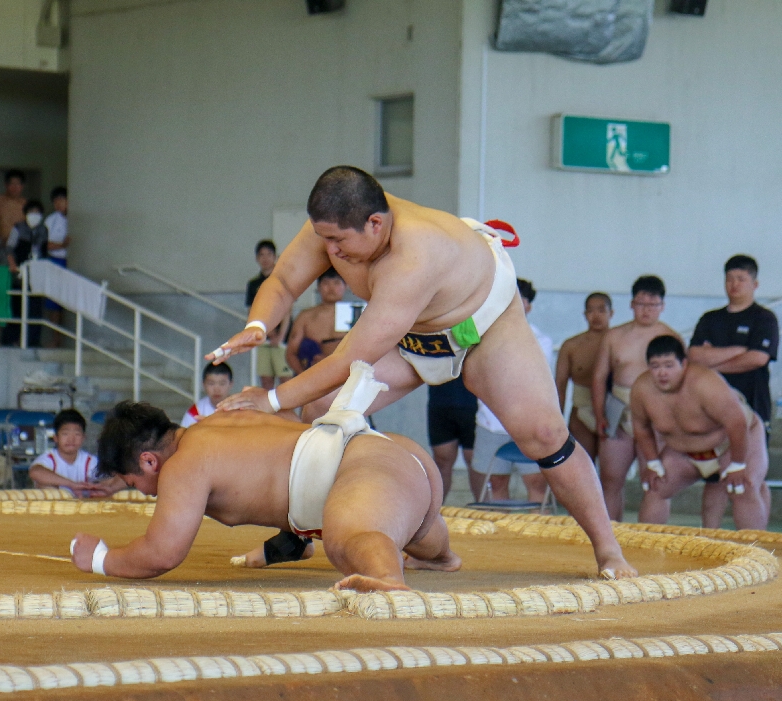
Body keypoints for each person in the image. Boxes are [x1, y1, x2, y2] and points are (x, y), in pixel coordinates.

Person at [211, 166, 634, 579]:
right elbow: (283, 280)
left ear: (375, 223)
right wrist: (257, 326)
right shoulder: (334, 226)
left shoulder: (415, 255)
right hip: (410, 337)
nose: (331, 252)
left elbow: (346, 361)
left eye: (338, 241)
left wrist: (270, 399)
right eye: (325, 240)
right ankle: (296, 535)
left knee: (544, 435)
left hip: (482, 328)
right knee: (322, 409)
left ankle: (607, 549)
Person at [70, 363, 459, 592]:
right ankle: (440, 555)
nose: (146, 494)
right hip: (397, 461)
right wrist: (290, 542)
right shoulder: (229, 415)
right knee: (413, 529)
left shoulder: (184, 464)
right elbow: (291, 461)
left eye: (135, 483)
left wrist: (103, 559)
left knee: (348, 540)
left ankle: (389, 581)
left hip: (365, 470)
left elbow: (162, 552)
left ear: (150, 461)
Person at [630, 336, 769, 530]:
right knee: (655, 487)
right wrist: (653, 463)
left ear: (684, 363)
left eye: (669, 365)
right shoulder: (641, 389)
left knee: (742, 488)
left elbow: (737, 424)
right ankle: (644, 550)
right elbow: (642, 428)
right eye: (655, 366)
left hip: (731, 443)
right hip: (683, 451)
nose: (662, 373)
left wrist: (738, 465)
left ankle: (758, 554)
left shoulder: (706, 383)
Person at [592, 276, 680, 521]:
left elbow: (680, 383)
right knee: (610, 478)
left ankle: (651, 542)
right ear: (632, 304)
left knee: (655, 480)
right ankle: (610, 538)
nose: (646, 310)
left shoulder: (671, 340)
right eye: (641, 304)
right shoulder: (614, 336)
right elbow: (599, 377)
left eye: (653, 305)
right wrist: (599, 414)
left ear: (662, 306)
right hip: (618, 410)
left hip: (656, 414)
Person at [471, 279, 551, 503]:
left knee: (536, 483)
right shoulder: (481, 334)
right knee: (495, 484)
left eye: (518, 300)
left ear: (528, 306)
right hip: (490, 422)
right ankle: (500, 535)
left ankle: (537, 533)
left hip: (529, 423)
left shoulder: (541, 341)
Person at [688, 255, 779, 429]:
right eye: (729, 279)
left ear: (755, 284)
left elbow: (757, 358)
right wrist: (739, 350)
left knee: (750, 454)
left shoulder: (764, 319)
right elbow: (694, 355)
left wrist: (713, 365)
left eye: (741, 279)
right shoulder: (710, 318)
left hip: (752, 402)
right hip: (709, 404)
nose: (734, 284)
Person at [555, 293, 614, 460]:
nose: (596, 316)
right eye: (591, 311)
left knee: (612, 471)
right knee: (582, 464)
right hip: (581, 410)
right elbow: (560, 386)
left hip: (614, 410)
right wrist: (557, 423)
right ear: (585, 314)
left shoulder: (622, 342)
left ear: (612, 313)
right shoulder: (571, 346)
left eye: (602, 310)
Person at [29, 409, 127, 497]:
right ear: (56, 438)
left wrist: (108, 488)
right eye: (65, 434)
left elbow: (123, 476)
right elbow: (35, 472)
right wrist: (72, 485)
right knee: (46, 487)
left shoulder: (88, 461)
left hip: (83, 508)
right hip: (54, 512)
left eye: (77, 434)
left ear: (83, 438)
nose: (71, 439)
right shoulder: (50, 458)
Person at [1, 199, 48, 347]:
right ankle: (10, 340)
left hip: (37, 273)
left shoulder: (43, 230)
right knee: (16, 306)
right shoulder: (18, 228)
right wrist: (13, 264)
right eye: (32, 212)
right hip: (19, 273)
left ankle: (33, 341)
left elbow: (44, 251)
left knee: (35, 307)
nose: (35, 215)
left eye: (38, 213)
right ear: (25, 214)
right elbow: (9, 248)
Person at [426, 378, 483, 501]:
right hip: (440, 402)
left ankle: (483, 509)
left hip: (474, 403)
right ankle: (434, 511)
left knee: (475, 461)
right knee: (442, 460)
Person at [246, 240, 293, 389]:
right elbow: (252, 311)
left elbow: (287, 309)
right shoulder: (253, 284)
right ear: (257, 258)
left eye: (269, 254)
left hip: (284, 339)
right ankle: (268, 413)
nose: (265, 258)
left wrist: (280, 336)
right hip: (263, 337)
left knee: (286, 380)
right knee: (266, 382)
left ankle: (287, 413)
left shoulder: (282, 279)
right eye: (262, 255)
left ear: (275, 257)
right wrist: (269, 332)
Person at [285, 267, 347, 374]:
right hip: (314, 376)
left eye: (336, 283)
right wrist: (305, 378)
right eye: (326, 283)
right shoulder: (305, 317)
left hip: (347, 376)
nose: (331, 288)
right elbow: (291, 353)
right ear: (318, 287)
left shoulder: (358, 315)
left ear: (346, 286)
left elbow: (368, 351)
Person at [42, 186, 70, 347]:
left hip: (72, 263)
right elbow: (45, 245)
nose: (59, 204)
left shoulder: (77, 218)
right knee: (54, 303)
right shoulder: (51, 220)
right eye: (56, 201)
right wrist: (62, 245)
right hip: (56, 261)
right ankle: (56, 338)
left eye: (62, 200)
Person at [180, 363, 234, 428]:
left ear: (231, 384)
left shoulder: (240, 408)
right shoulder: (195, 412)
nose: (216, 389)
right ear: (204, 384)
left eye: (222, 384)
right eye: (211, 383)